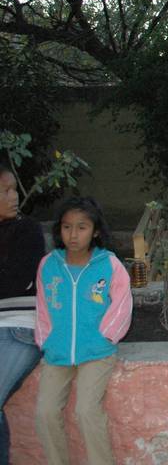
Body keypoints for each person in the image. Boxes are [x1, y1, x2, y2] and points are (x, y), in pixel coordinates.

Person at [34, 197, 132, 465]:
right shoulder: (49, 265)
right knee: (44, 412)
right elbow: (42, 306)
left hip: (97, 351)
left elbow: (122, 303)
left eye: (81, 227)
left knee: (87, 411)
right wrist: (45, 340)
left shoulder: (108, 265)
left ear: (95, 231)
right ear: (59, 230)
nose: (73, 235)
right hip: (58, 351)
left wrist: (107, 335)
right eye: (67, 227)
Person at [0, 165, 46, 465]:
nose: (14, 196)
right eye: (5, 190)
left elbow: (17, 280)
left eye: (14, 189)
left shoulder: (26, 230)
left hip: (19, 327)